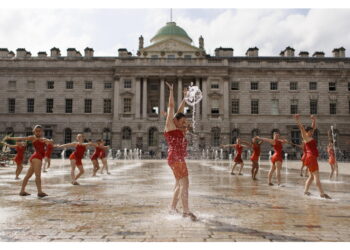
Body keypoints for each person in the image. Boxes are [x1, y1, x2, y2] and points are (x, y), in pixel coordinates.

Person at [164, 82, 197, 221]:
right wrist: (171, 91)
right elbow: (172, 108)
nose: (185, 124)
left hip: (175, 158)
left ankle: (172, 208)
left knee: (178, 184)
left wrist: (184, 98)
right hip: (176, 158)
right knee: (185, 184)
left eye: (185, 122)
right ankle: (186, 211)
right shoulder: (170, 126)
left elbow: (179, 110)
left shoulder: (177, 127)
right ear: (176, 121)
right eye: (182, 122)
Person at [6, 125, 50, 197]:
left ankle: (22, 191)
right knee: (38, 175)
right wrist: (10, 137)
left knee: (28, 176)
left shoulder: (43, 139)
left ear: (42, 132)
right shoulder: (33, 137)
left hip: (35, 158)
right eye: (37, 131)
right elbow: (22, 138)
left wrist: (48, 141)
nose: (38, 132)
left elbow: (50, 142)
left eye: (39, 131)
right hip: (37, 158)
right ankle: (39, 192)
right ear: (34, 131)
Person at [293, 114, 331, 199]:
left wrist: (314, 120)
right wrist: (297, 120)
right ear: (306, 132)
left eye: (312, 131)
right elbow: (302, 128)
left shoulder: (309, 136)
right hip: (311, 158)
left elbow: (313, 127)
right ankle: (322, 194)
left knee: (311, 176)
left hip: (310, 158)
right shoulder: (306, 137)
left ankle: (305, 191)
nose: (311, 132)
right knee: (316, 176)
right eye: (310, 131)